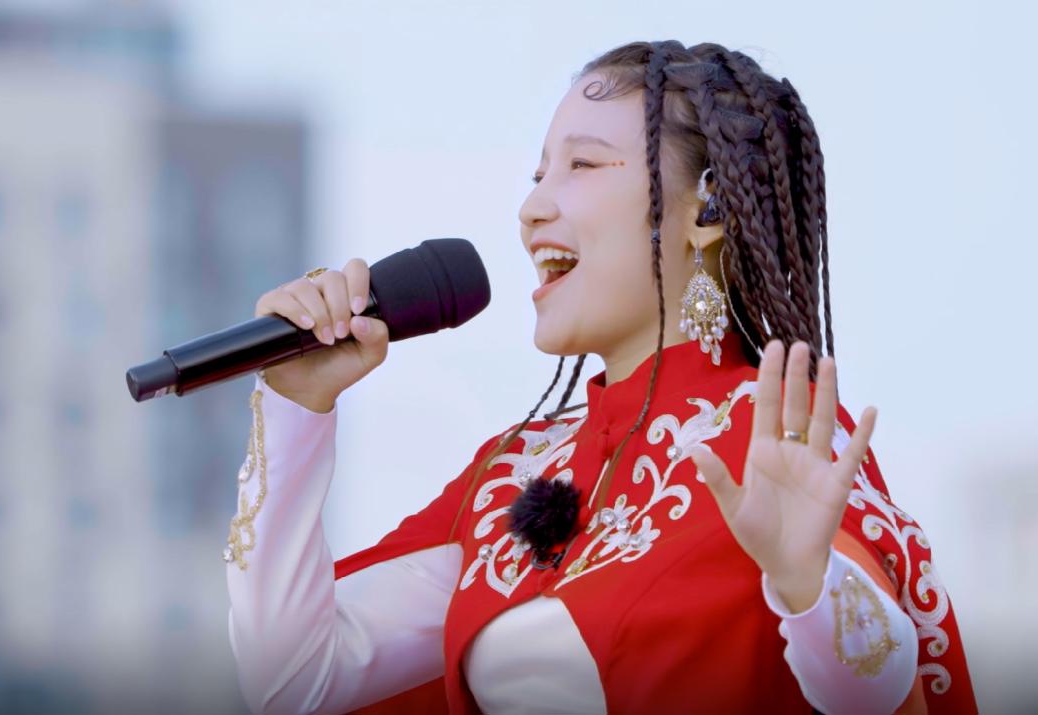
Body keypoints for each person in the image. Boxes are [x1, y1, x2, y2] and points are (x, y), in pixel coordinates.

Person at [223, 40, 976, 714]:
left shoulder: (772, 436)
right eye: (538, 173)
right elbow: (295, 680)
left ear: (707, 210)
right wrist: (296, 404)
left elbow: (878, 682)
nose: (531, 207)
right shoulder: (511, 474)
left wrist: (811, 587)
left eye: (582, 165)